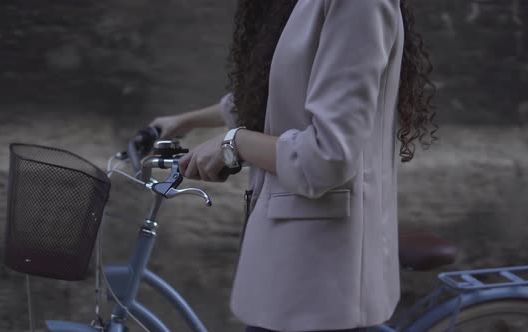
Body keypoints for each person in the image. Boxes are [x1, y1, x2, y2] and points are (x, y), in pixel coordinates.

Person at [150, 0, 437, 331]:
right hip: (291, 269)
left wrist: (234, 143)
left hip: (321, 280)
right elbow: (272, 97)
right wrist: (183, 121)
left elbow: (328, 156)